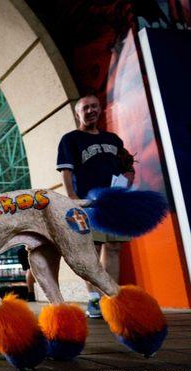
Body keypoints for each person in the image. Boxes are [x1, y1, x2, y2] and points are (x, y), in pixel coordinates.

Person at [56, 94, 135, 318]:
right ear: (77, 113)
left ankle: (112, 297)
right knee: (92, 250)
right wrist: (73, 199)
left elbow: (128, 165)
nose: (90, 110)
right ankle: (93, 299)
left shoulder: (113, 139)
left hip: (113, 201)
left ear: (100, 110)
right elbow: (66, 171)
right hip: (87, 202)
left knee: (114, 247)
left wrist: (128, 178)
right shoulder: (70, 139)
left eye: (94, 106)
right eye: (85, 108)